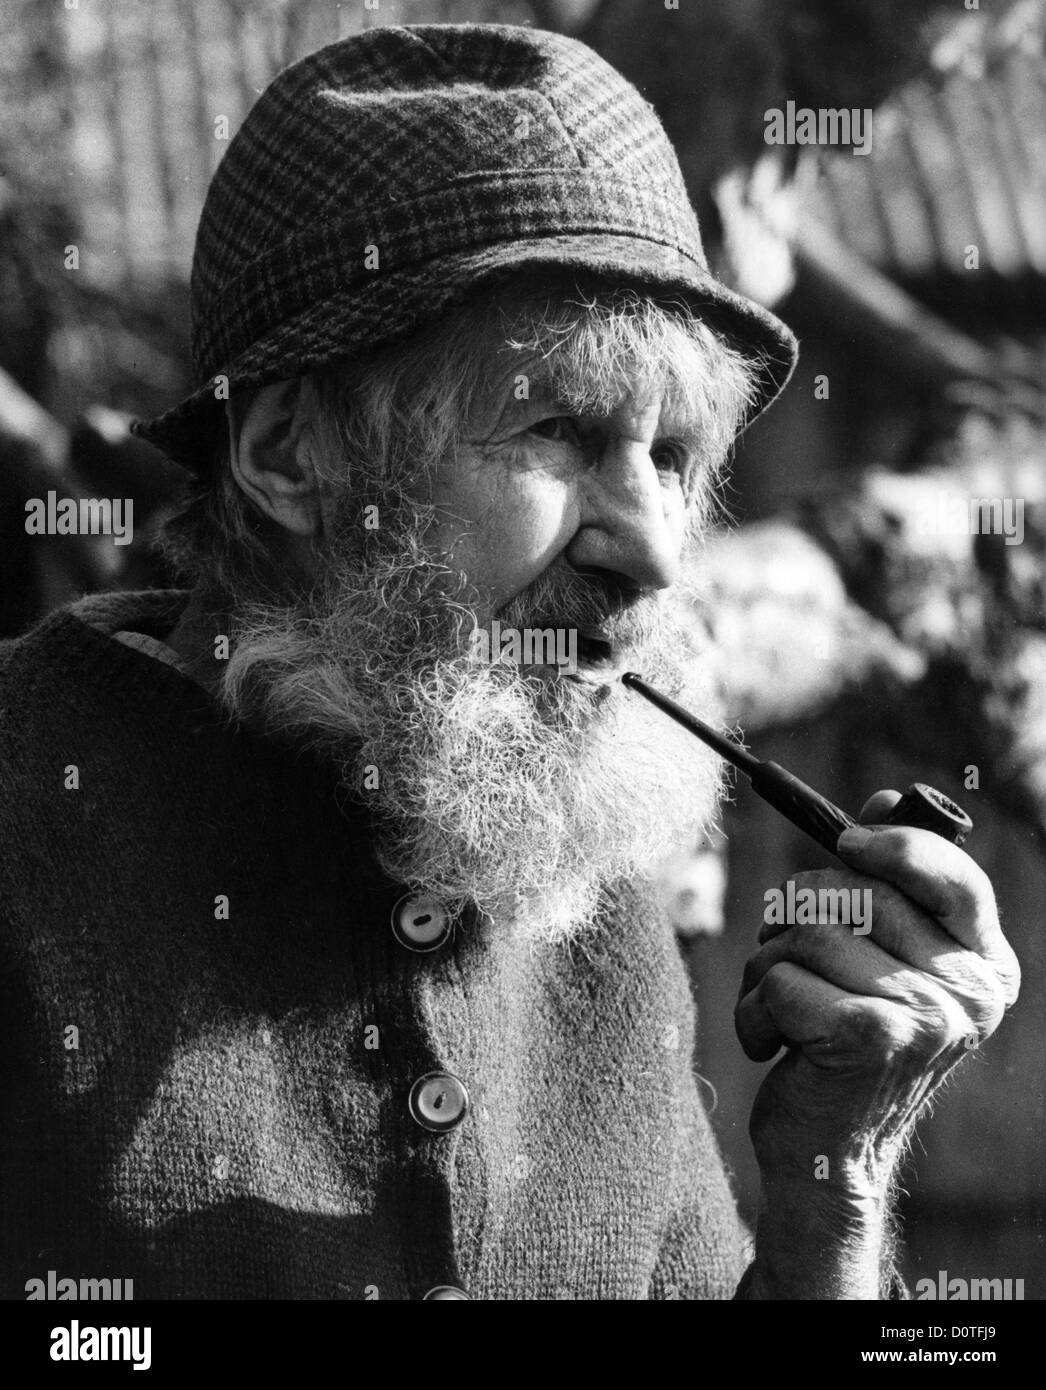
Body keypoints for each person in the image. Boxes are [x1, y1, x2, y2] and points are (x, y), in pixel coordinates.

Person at [0, 23, 1018, 1301]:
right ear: (285, 454)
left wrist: (831, 1189)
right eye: (558, 430)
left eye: (674, 457)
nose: (652, 548)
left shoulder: (571, 889)